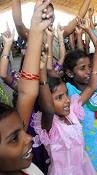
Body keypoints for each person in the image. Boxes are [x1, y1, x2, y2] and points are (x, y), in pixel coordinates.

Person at [0, 0, 53, 174]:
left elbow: (28, 92)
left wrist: (37, 30)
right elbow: (23, 88)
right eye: (14, 139)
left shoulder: (31, 170)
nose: (29, 137)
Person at [62, 46, 97, 172]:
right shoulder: (69, 91)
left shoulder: (95, 83)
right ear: (70, 73)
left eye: (89, 66)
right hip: (85, 151)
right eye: (82, 68)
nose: (89, 71)